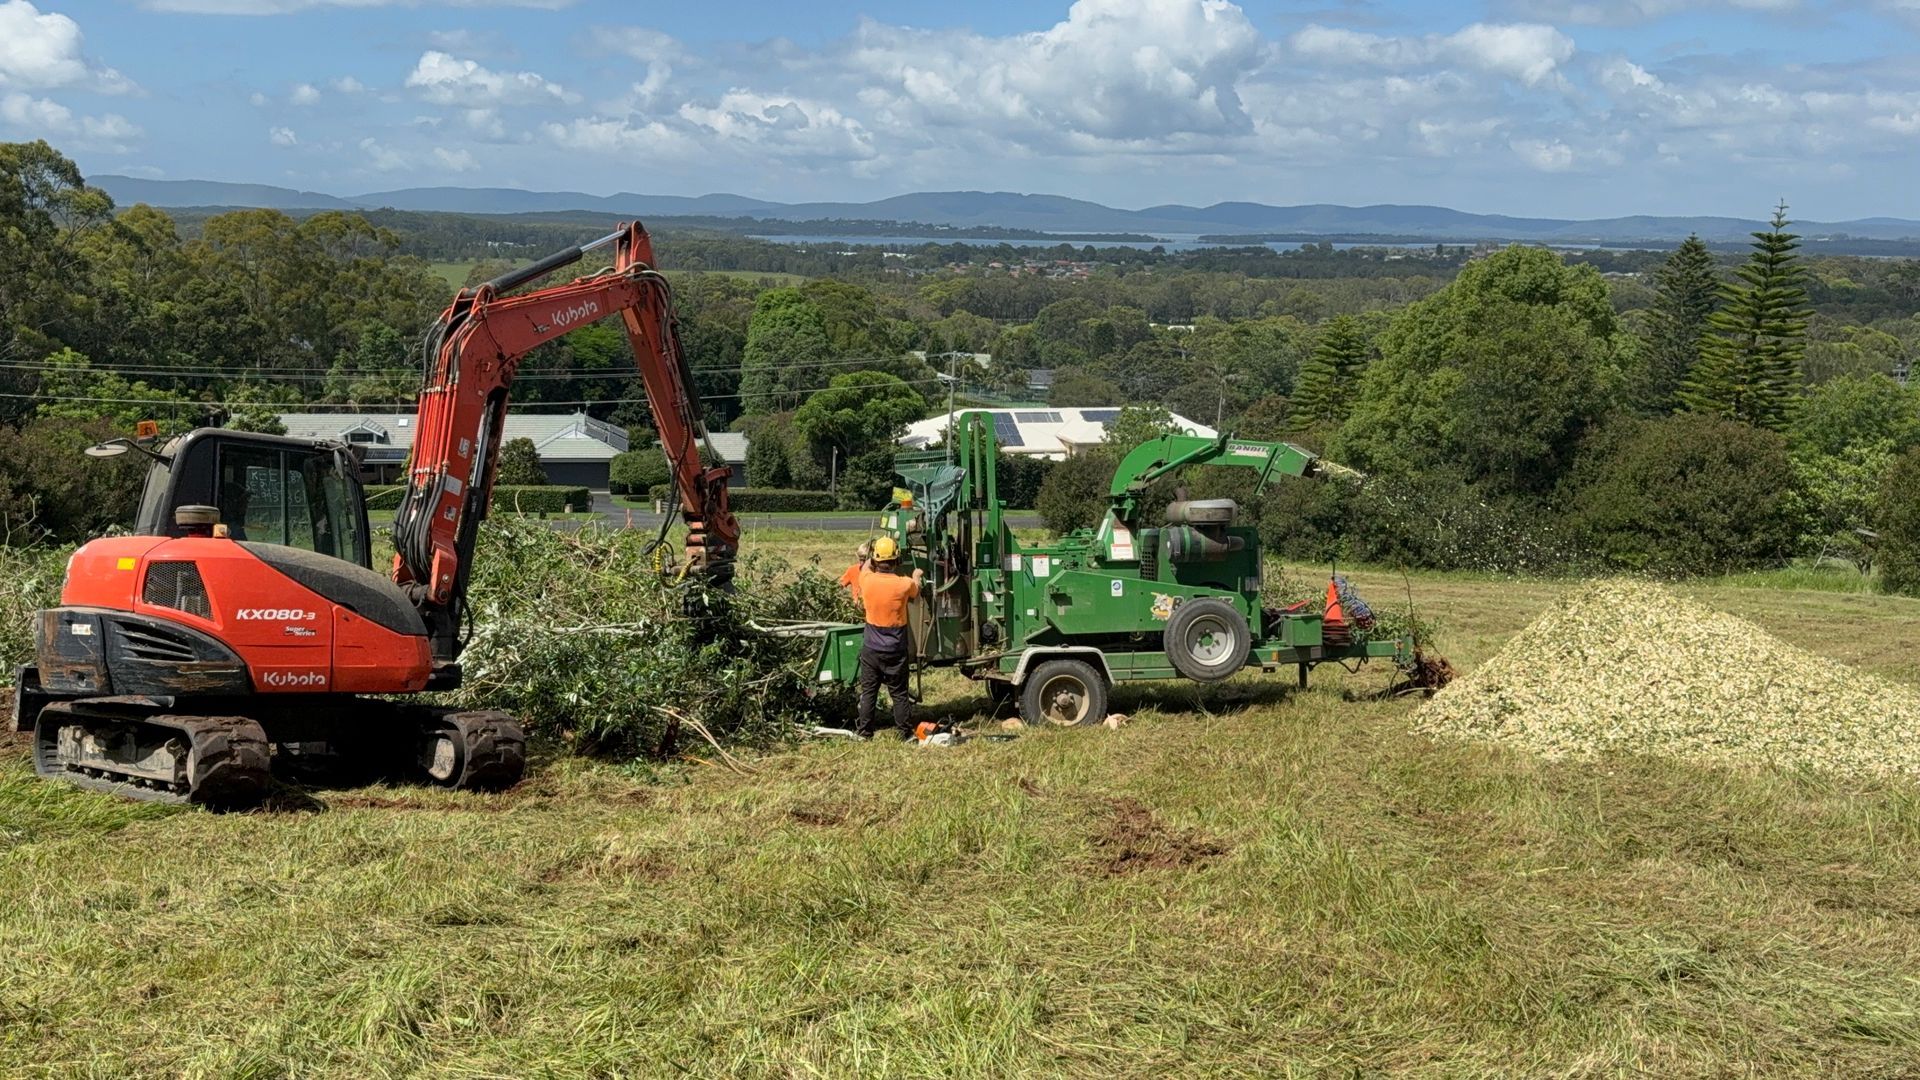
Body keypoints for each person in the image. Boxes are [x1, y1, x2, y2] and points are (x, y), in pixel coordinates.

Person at [851, 536, 923, 739]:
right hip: (895, 650)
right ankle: (905, 734)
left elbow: (864, 567)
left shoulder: (867, 580)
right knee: (899, 694)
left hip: (871, 649)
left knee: (869, 693)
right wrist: (917, 574)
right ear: (897, 560)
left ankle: (865, 733)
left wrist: (868, 556)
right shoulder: (904, 584)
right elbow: (916, 591)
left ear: (875, 561)